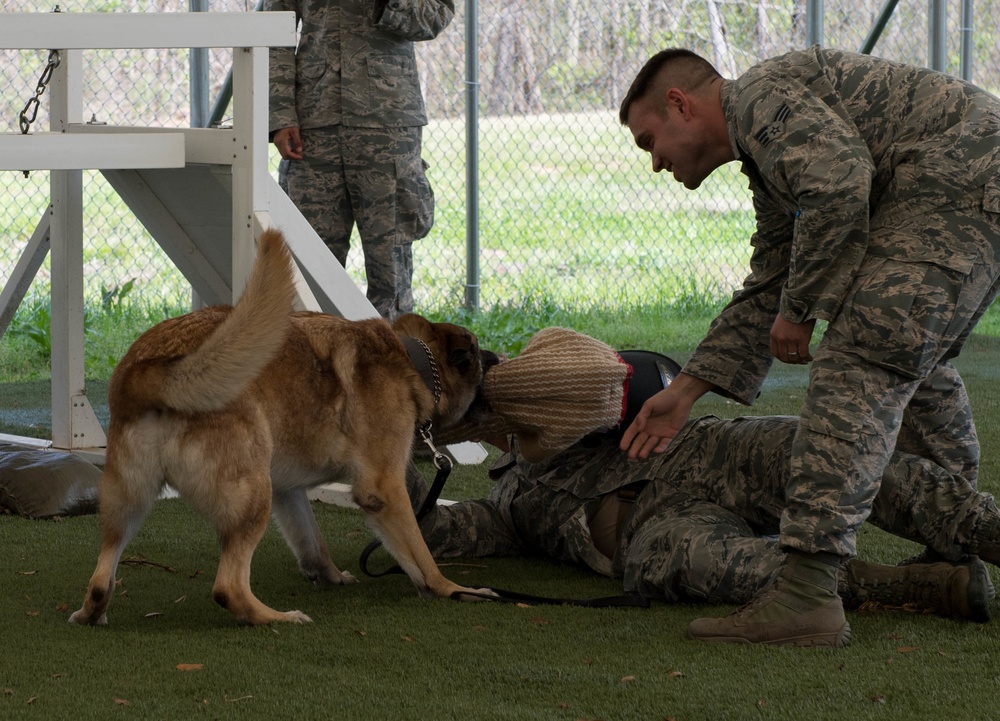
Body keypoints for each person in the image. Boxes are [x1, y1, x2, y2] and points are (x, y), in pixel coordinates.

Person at [616, 46, 1000, 645]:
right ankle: (949, 552)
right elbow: (771, 277)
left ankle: (805, 594)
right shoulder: (767, 159)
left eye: (649, 143)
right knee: (912, 362)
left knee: (857, 362)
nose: (656, 164)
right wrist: (686, 391)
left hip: (953, 179)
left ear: (679, 104)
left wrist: (801, 312)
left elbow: (841, 181)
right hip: (967, 181)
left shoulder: (759, 98)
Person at [414, 414, 999, 630]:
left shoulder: (569, 399)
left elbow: (612, 378)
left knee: (818, 451)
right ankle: (916, 588)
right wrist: (398, 446)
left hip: (701, 449)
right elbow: (429, 532)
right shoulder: (506, 505)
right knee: (685, 560)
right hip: (655, 527)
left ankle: (983, 528)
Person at [266, 0, 455, 320]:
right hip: (313, 128)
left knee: (390, 270)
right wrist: (281, 115)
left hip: (387, 125)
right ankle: (309, 362)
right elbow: (274, 33)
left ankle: (389, 362)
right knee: (306, 264)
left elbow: (435, 16)